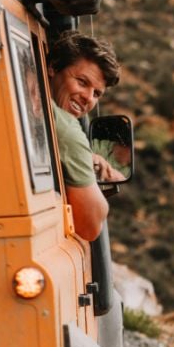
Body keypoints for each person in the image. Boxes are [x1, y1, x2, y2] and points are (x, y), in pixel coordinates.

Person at [48, 30, 120, 241]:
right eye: (81, 82)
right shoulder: (66, 127)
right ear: (53, 67)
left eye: (97, 93)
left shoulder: (34, 102)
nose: (88, 98)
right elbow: (90, 224)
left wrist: (82, 159)